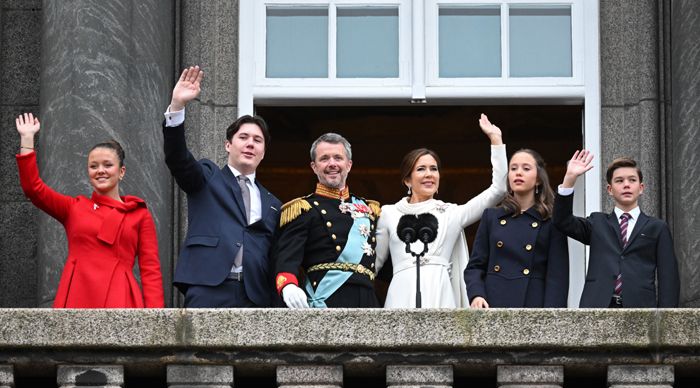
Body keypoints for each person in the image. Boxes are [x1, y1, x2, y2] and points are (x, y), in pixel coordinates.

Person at [14, 113, 164, 308]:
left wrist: (155, 320)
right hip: (77, 294)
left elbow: (150, 269)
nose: (100, 170)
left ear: (121, 172)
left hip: (121, 298)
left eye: (108, 165)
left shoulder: (139, 214)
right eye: (93, 166)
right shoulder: (74, 207)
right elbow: (33, 189)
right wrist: (27, 139)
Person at [164, 66, 281, 308]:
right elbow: (178, 159)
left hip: (256, 296)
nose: (250, 144)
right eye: (243, 137)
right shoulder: (208, 177)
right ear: (228, 145)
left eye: (257, 140)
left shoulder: (274, 204)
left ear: (264, 153)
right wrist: (177, 107)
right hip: (209, 288)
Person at [374, 114, 508, 308]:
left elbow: (498, 190)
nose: (429, 174)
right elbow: (374, 265)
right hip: (400, 293)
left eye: (433, 169)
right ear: (407, 180)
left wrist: (496, 141)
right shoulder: (389, 213)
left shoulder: (451, 213)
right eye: (421, 169)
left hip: (441, 293)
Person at [553, 151, 679, 308]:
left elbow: (668, 277)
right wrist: (569, 180)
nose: (626, 184)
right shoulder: (597, 223)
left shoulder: (657, 227)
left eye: (632, 180)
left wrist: (666, 319)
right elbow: (562, 221)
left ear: (641, 188)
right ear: (610, 189)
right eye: (619, 181)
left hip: (641, 309)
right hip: (598, 307)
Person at [274, 133, 380, 308]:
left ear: (349, 165)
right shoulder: (304, 209)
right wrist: (288, 285)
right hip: (328, 299)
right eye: (324, 159)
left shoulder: (369, 209)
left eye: (338, 158)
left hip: (367, 299)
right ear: (314, 167)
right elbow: (287, 257)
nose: (332, 164)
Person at [465, 149, 569, 308]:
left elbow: (557, 277)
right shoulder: (491, 217)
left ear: (538, 179)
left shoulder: (551, 221)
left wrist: (552, 318)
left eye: (526, 168)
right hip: (492, 304)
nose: (518, 173)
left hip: (533, 306)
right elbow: (475, 267)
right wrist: (477, 295)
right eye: (513, 168)